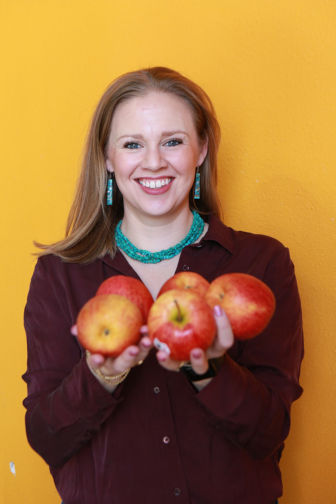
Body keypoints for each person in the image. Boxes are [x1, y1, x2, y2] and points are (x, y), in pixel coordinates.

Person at [23, 67, 303, 504]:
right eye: (133, 144)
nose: (154, 161)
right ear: (108, 159)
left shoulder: (260, 264)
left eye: (172, 141)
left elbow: (269, 434)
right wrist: (99, 377)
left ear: (202, 149)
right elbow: (46, 439)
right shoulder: (61, 275)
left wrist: (209, 370)